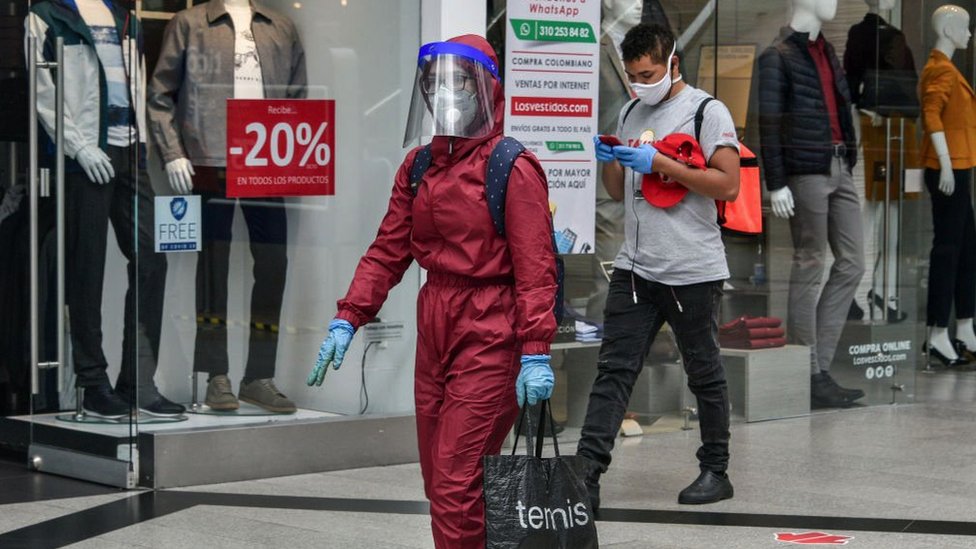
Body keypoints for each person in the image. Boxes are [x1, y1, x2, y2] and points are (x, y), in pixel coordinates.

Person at [306, 35, 557, 548]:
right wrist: (348, 317)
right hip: (436, 325)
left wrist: (535, 350)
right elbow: (388, 250)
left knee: (455, 481)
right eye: (434, 82)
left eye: (459, 81)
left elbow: (536, 268)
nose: (445, 93)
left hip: (492, 329)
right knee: (443, 482)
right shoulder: (420, 166)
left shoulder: (511, 166)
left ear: (486, 86)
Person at [577, 23, 738, 510]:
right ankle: (585, 476)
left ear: (672, 62)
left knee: (703, 371)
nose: (637, 84)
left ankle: (716, 470)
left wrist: (662, 165)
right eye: (630, 75)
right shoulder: (629, 110)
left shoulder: (706, 111)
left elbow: (727, 185)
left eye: (646, 74)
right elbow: (614, 191)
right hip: (635, 267)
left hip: (692, 268)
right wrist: (610, 160)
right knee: (613, 371)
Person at [148, 0, 307, 413]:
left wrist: (294, 154)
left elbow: (297, 96)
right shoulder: (190, 24)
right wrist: (173, 154)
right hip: (208, 160)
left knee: (274, 266)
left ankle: (258, 376)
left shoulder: (281, 27)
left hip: (267, 159)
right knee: (213, 270)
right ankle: (215, 374)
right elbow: (160, 94)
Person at [26, 0, 178, 418]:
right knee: (87, 268)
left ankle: (138, 381)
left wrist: (143, 144)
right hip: (85, 155)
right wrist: (78, 147)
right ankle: (93, 382)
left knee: (151, 259)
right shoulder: (47, 16)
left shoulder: (124, 16)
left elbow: (137, 83)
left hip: (129, 150)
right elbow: (43, 93)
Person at [758, 0, 866, 408]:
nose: (835, 1)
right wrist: (776, 182)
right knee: (810, 263)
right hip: (806, 172)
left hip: (839, 164)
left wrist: (850, 157)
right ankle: (808, 372)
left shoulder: (827, 50)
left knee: (853, 262)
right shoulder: (777, 55)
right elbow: (769, 120)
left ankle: (818, 364)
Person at [919, 4, 976, 367]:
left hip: (959, 165)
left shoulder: (949, 68)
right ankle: (938, 333)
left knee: (967, 247)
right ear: (951, 29)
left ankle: (966, 326)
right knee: (948, 248)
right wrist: (943, 164)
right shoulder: (939, 69)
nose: (970, 35)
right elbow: (930, 113)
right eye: (966, 28)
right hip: (948, 169)